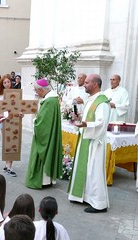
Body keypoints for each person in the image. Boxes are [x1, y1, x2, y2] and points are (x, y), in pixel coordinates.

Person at [68, 74, 110, 213]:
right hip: (87, 138)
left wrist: (86, 124)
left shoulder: (102, 102)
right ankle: (85, 196)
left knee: (95, 172)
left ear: (95, 84)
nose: (84, 85)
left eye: (87, 83)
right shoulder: (91, 99)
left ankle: (99, 204)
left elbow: (102, 123)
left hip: (95, 143)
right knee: (87, 170)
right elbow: (89, 118)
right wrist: (80, 118)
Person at [26, 79, 63, 189]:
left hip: (45, 135)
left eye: (37, 90)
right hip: (49, 132)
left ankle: (42, 181)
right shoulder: (52, 99)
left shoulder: (49, 101)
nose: (36, 93)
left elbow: (42, 123)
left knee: (41, 152)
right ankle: (47, 180)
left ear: (42, 89)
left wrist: (35, 122)